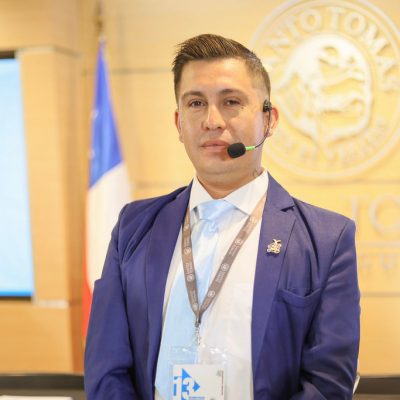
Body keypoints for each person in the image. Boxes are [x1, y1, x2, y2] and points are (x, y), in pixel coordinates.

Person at [84, 34, 360, 399]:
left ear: (269, 119)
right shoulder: (134, 227)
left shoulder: (326, 240)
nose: (212, 121)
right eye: (196, 103)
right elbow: (106, 369)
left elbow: (328, 384)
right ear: (179, 122)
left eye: (231, 102)